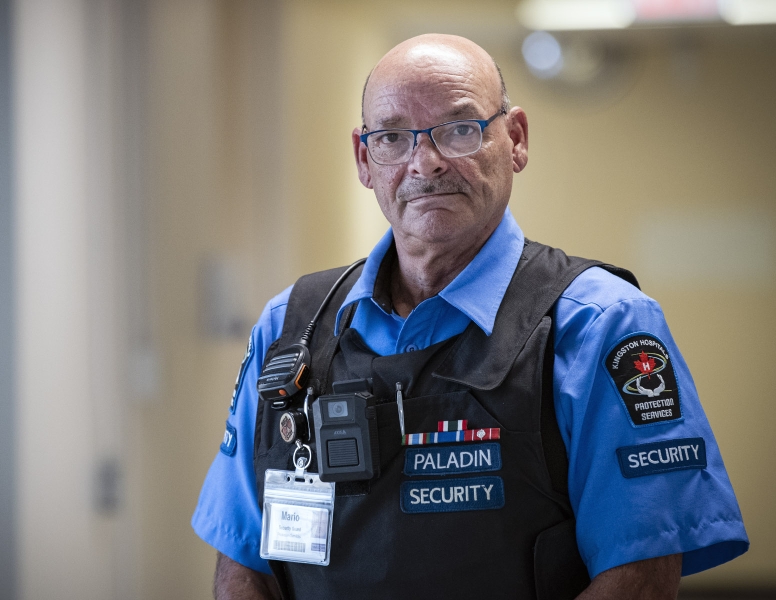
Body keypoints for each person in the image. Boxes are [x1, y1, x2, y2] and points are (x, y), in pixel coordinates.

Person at [192, 34, 748, 599]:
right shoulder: (290, 327)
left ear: (516, 140)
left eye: (459, 129)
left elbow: (641, 574)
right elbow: (242, 563)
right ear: (364, 159)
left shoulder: (601, 324)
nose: (425, 162)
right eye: (392, 136)